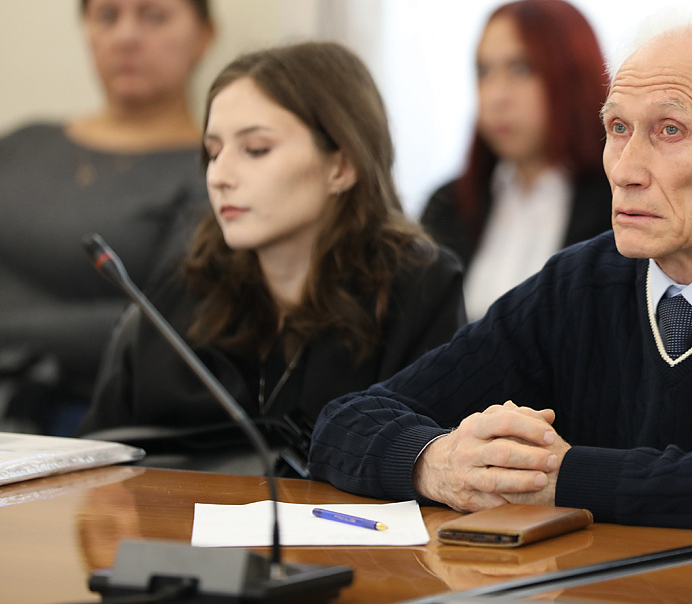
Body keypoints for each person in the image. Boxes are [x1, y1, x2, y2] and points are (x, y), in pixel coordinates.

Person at [308, 11, 692, 538]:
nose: (626, 168)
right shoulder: (579, 285)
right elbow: (347, 422)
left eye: (670, 130)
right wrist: (435, 462)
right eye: (617, 128)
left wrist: (572, 478)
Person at [78, 42, 465, 475]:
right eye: (213, 152)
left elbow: (441, 466)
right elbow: (96, 461)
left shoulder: (419, 288)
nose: (219, 176)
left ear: (341, 167)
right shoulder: (183, 289)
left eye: (256, 149)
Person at [0, 0, 215, 434]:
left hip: (87, 418)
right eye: (106, 16)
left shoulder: (212, 169)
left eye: (153, 16)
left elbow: (158, 325)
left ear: (204, 34)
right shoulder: (24, 143)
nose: (126, 36)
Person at [420, 0, 610, 321]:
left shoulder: (620, 206)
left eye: (521, 69)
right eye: (483, 72)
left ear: (573, 74)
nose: (496, 96)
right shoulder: (449, 205)